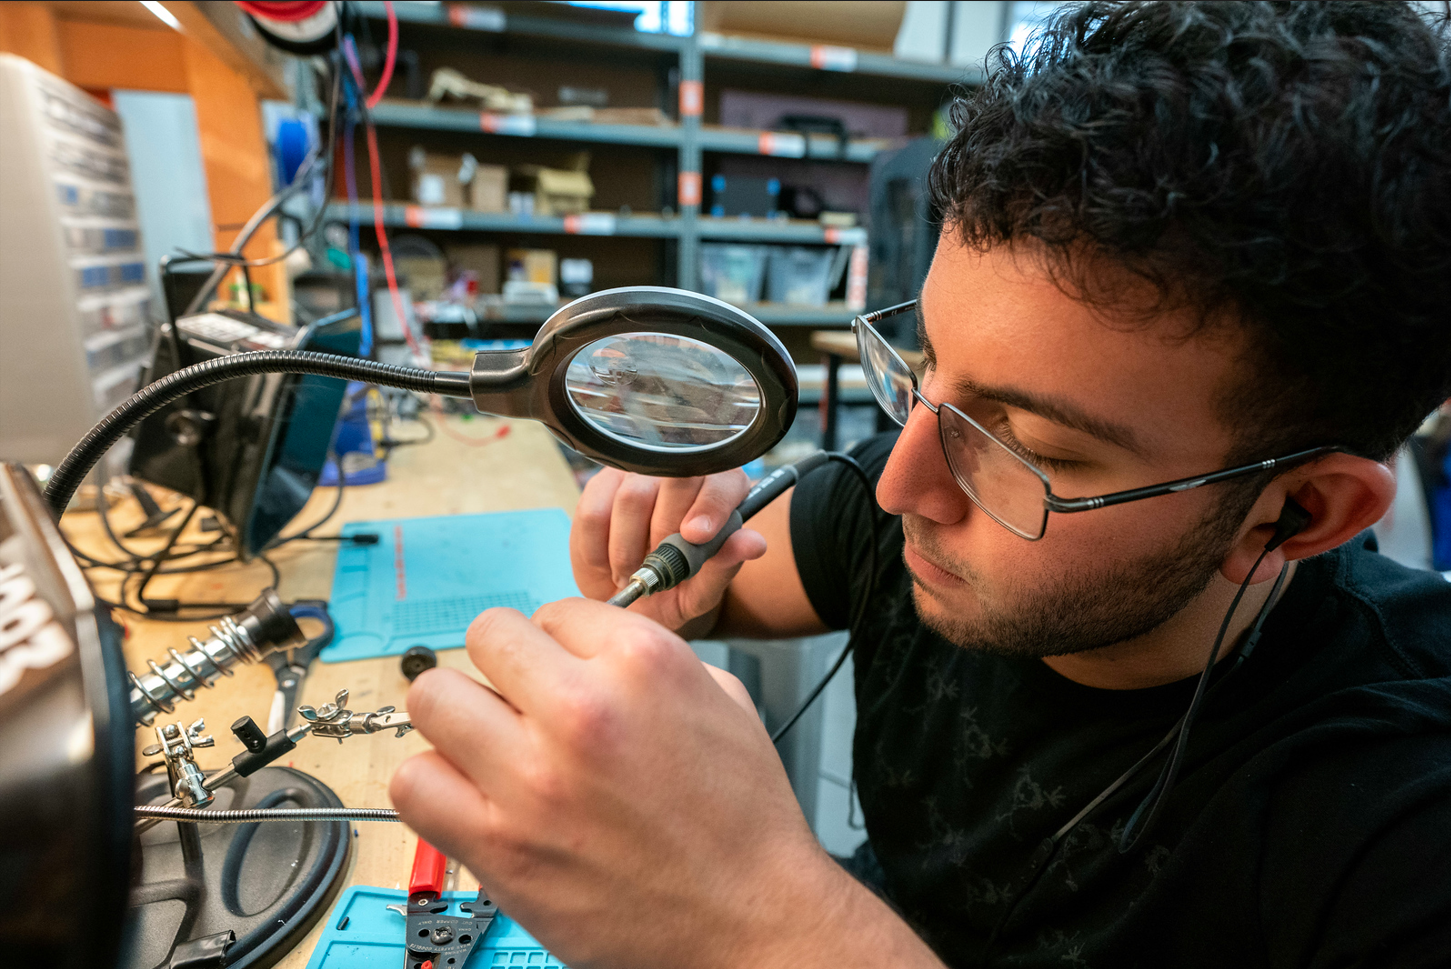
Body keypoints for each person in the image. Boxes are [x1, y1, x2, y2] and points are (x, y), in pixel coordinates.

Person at [390, 3, 1451, 966]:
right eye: (924, 366)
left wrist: (758, 920)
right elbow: (715, 584)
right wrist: (666, 573)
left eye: (1033, 447)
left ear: (1296, 511)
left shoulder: (1397, 822)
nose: (902, 485)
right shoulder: (896, 502)